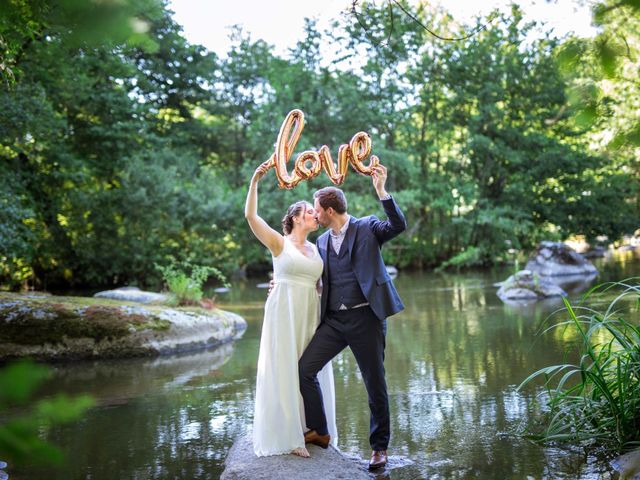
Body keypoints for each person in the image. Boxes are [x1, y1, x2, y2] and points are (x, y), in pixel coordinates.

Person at [299, 164, 406, 470]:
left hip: (365, 319)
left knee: (375, 383)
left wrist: (382, 192)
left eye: (317, 210)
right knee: (304, 369)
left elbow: (398, 225)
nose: (314, 215)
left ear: (330, 210)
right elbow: (313, 275)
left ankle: (379, 448)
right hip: (334, 321)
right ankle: (319, 431)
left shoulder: (369, 227)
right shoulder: (320, 242)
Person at [245, 162, 337, 458]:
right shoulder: (278, 244)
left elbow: (323, 284)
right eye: (310, 212)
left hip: (310, 315)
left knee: (308, 371)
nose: (315, 214)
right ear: (296, 218)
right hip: (283, 313)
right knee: (285, 369)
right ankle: (290, 436)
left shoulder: (318, 248)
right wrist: (255, 181)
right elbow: (251, 216)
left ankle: (313, 428)